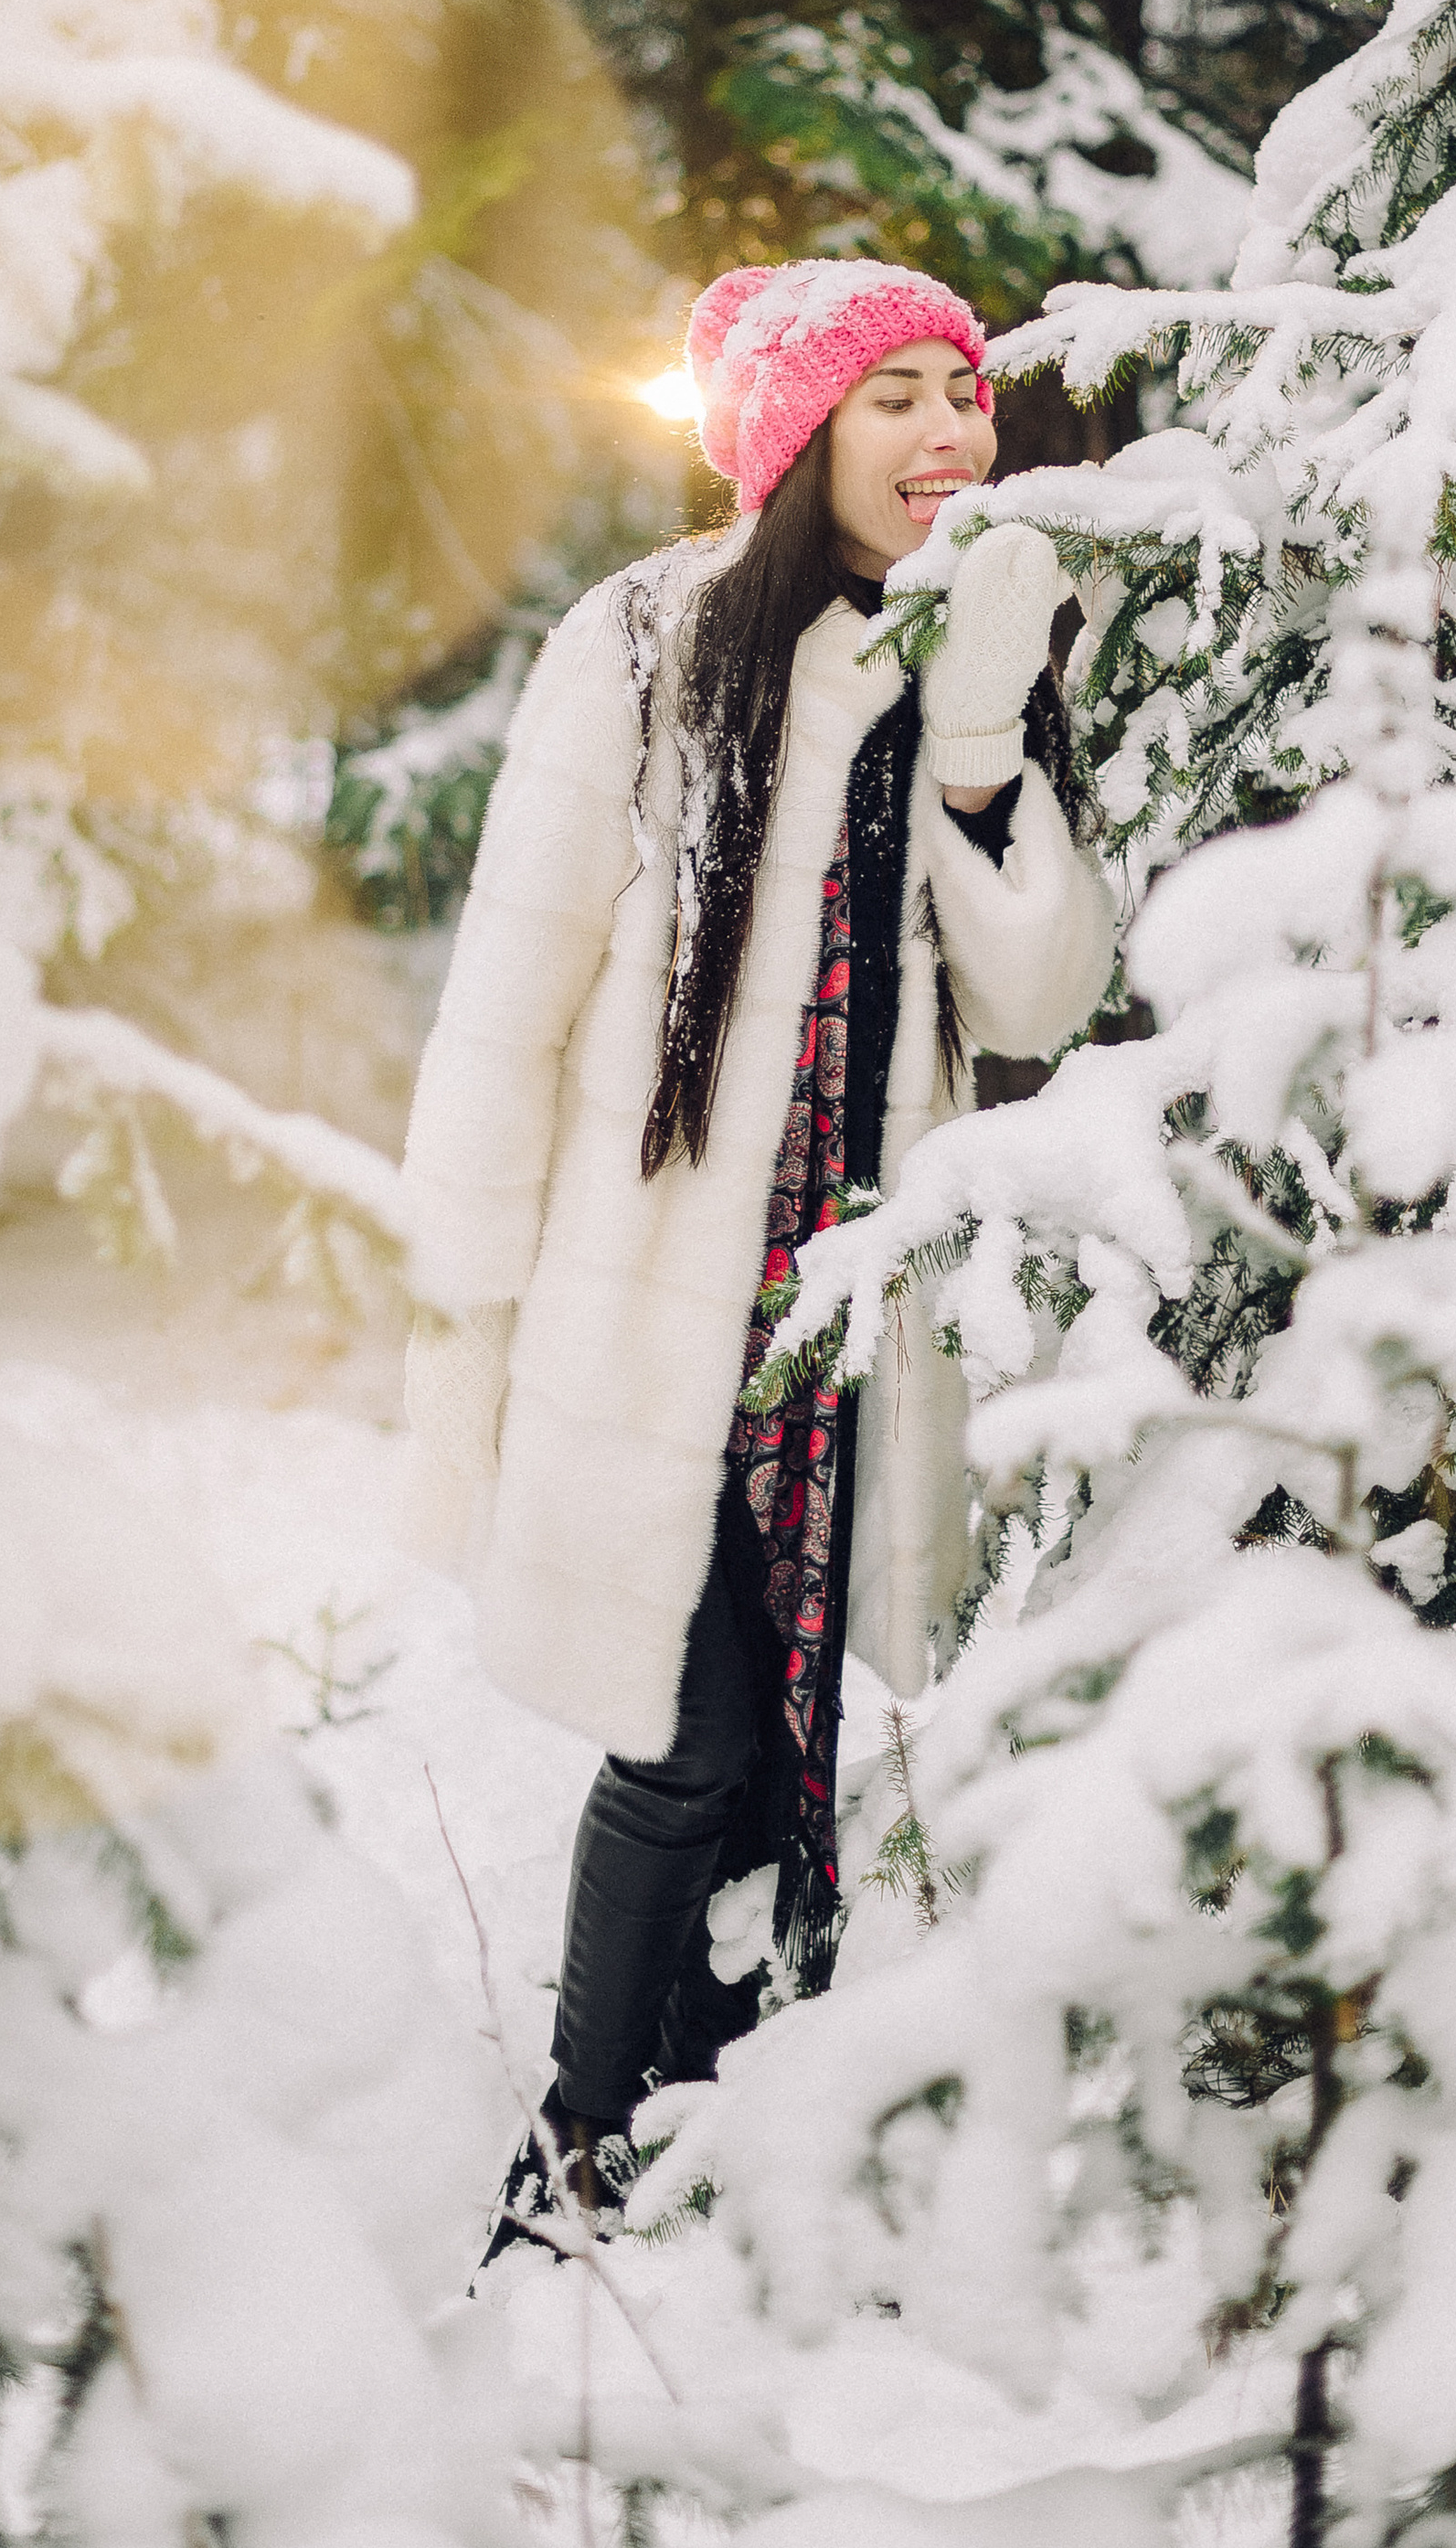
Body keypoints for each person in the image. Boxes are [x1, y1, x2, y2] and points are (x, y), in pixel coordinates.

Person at [398, 258, 1116, 2249]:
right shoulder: (645, 642)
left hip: (847, 1305)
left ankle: (700, 2099)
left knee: (786, 1726)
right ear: (799, 436)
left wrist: (983, 763)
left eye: (961, 392)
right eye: (890, 395)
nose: (947, 434)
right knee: (686, 1715)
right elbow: (513, 983)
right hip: (649, 1299)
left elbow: (1042, 995)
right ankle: (569, 2141)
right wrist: (464, 1275)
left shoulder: (986, 647)